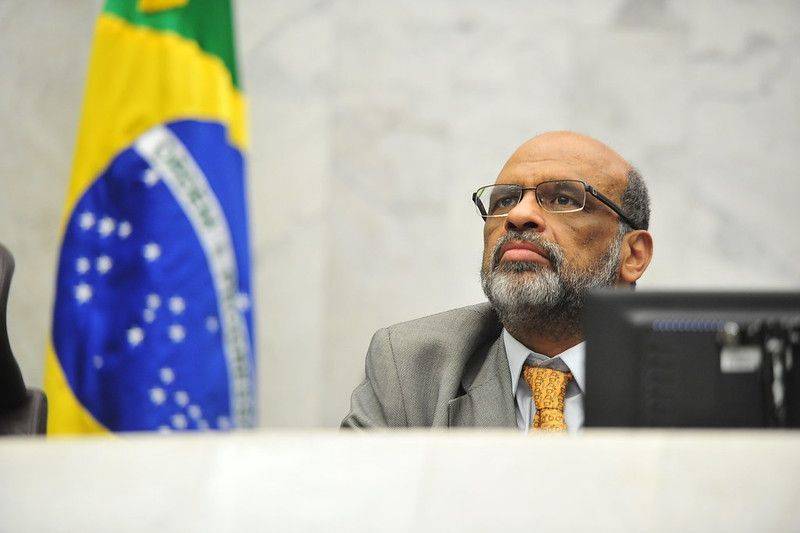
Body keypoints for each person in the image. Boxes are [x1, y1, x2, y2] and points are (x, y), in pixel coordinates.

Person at [341, 131, 653, 432]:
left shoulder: (693, 378)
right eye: (503, 201)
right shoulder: (407, 369)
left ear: (633, 255)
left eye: (561, 198)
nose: (518, 215)